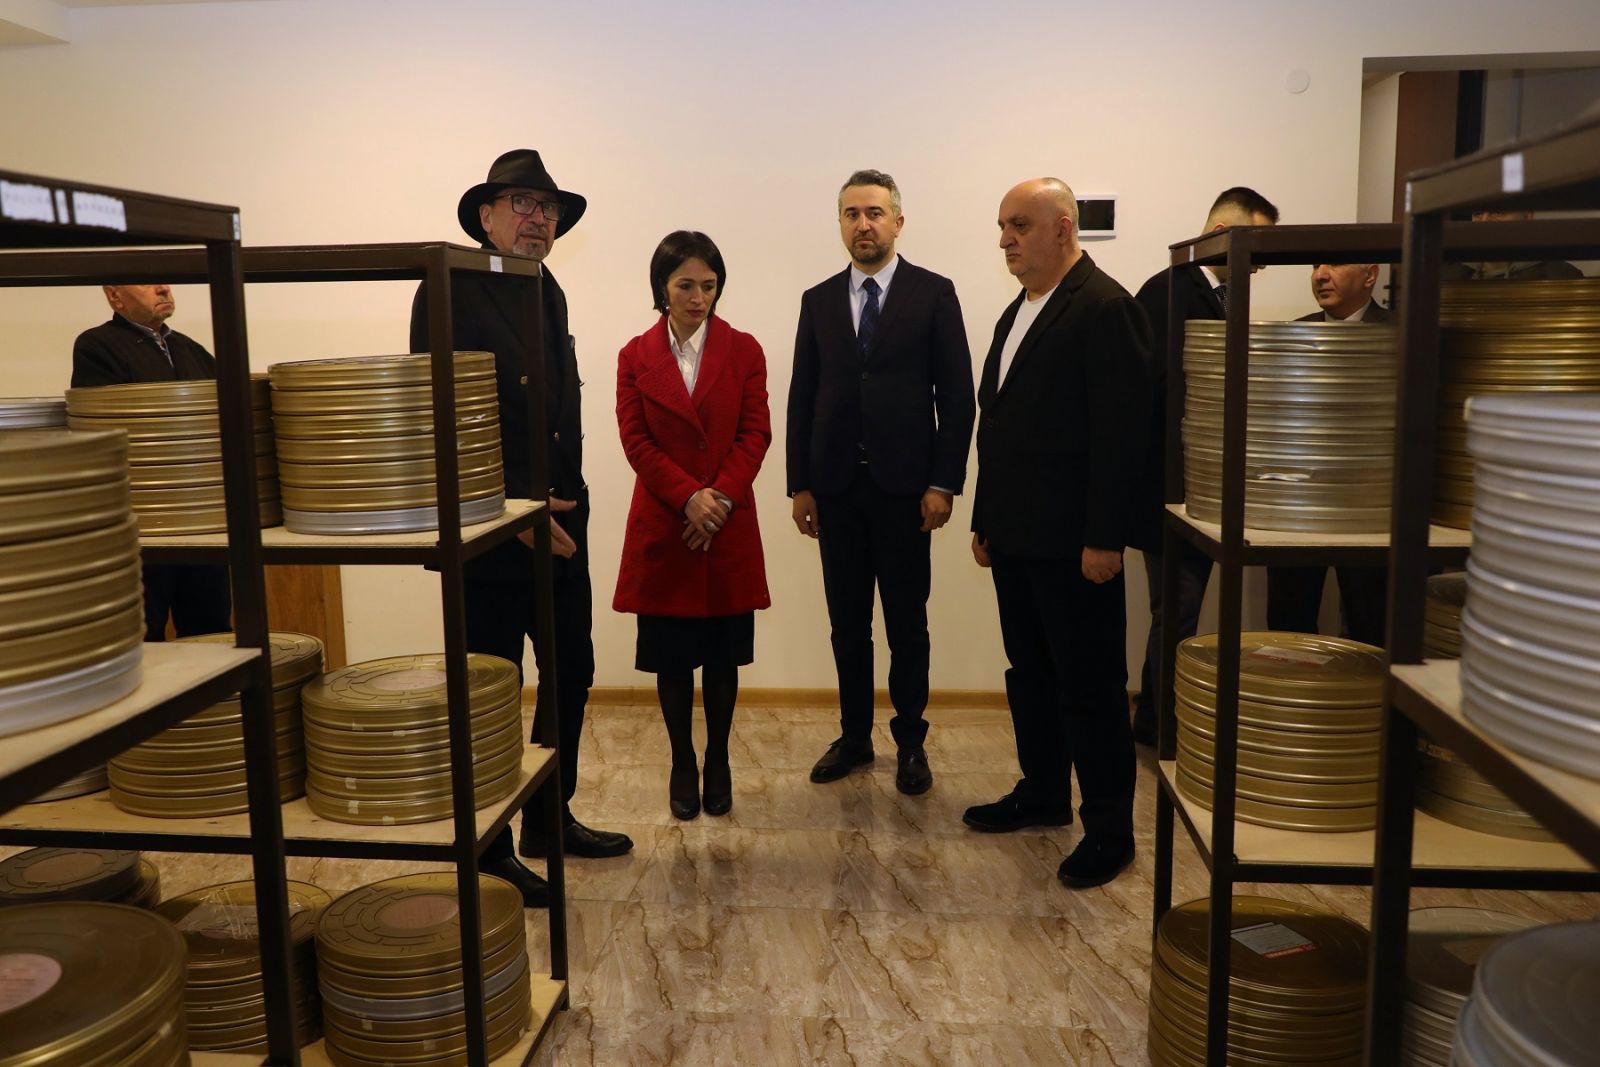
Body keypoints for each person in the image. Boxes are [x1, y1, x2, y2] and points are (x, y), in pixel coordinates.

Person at [409, 148, 631, 908]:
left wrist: (558, 502)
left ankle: (547, 815)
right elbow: (445, 414)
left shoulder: (545, 284)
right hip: (492, 530)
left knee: (571, 669)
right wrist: (513, 511)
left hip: (562, 517)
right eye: (522, 203)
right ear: (486, 215)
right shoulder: (450, 285)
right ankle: (491, 846)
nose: (539, 218)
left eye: (549, 207)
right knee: (491, 688)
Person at [964, 178, 1150, 889]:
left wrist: (1106, 537)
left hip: (1077, 546)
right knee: (1032, 676)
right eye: (1002, 226)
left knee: (1091, 687)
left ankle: (1109, 830)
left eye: (1019, 225)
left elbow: (1122, 437)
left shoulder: (1105, 307)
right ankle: (1043, 792)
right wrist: (985, 518)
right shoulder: (1018, 311)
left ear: (1064, 227)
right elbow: (998, 426)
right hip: (1017, 538)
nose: (1005, 239)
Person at [786, 169, 975, 795]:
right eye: (851, 214)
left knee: (907, 625)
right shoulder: (818, 300)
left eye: (873, 213)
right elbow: (802, 397)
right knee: (847, 625)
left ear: (897, 220)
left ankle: (911, 741)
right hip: (836, 490)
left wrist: (944, 482)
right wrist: (799, 484)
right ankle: (854, 737)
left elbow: (957, 398)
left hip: (906, 492)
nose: (862, 224)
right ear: (840, 224)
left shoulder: (934, 293)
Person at [614, 231, 771, 820]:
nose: (698, 297)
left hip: (725, 523)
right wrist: (688, 499)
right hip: (667, 524)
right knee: (673, 659)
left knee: (724, 658)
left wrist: (717, 501)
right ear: (662, 287)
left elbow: (755, 433)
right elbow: (636, 440)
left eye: (709, 285)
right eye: (686, 285)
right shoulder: (635, 355)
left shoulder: (744, 350)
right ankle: (682, 759)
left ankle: (719, 757)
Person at [1129, 187, 1280, 746]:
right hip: (1169, 488)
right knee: (1178, 610)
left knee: (1179, 610)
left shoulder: (1213, 294)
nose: (1259, 266)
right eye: (1255, 250)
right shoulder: (1168, 291)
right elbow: (1154, 396)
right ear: (1220, 235)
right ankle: (1163, 728)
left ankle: (1156, 719)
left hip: (1199, 487)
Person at [72, 284, 231, 641]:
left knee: (211, 632)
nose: (163, 288)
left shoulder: (191, 349)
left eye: (164, 279)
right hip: (144, 523)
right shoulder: (97, 345)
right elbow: (105, 431)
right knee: (144, 635)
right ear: (115, 296)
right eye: (147, 281)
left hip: (203, 518)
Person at [1265, 263, 1390, 646]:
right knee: (1288, 628)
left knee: (1373, 626)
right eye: (1315, 266)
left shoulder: (1401, 333)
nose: (1320, 275)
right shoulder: (1293, 335)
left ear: (1370, 275)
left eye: (1333, 264)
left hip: (1373, 510)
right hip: (1299, 508)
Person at [1441, 211, 1584, 281]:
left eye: (1498, 212)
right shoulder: (1446, 279)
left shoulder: (1562, 278)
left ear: (1528, 216)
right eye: (1478, 214)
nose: (1484, 221)